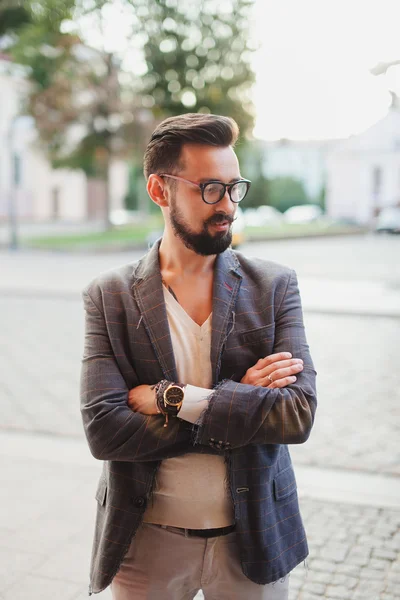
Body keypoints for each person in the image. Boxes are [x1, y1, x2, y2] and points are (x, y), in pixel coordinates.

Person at [80, 113, 317, 600]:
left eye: (234, 188)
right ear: (159, 190)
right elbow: (104, 429)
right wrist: (243, 403)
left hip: (253, 538)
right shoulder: (110, 295)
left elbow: (297, 415)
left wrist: (171, 398)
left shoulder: (274, 286)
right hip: (145, 543)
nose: (227, 205)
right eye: (209, 189)